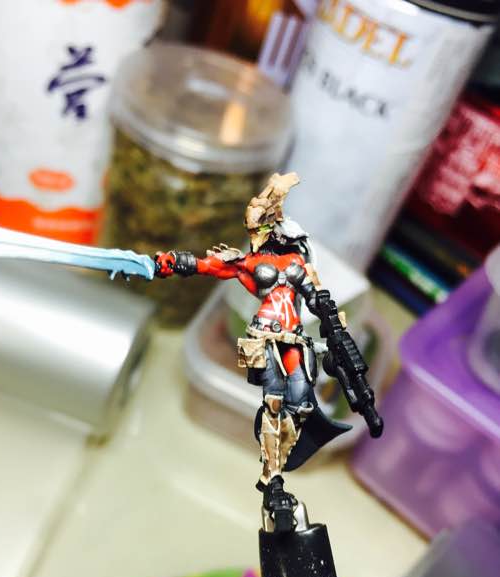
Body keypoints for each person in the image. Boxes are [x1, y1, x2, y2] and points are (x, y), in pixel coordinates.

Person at [154, 172, 382, 531]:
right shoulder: (253, 264)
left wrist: (338, 338)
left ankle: (285, 457)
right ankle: (273, 480)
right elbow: (211, 265)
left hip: (293, 339)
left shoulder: (297, 268)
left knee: (302, 403)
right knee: (274, 404)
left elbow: (321, 304)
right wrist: (175, 263)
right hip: (264, 339)